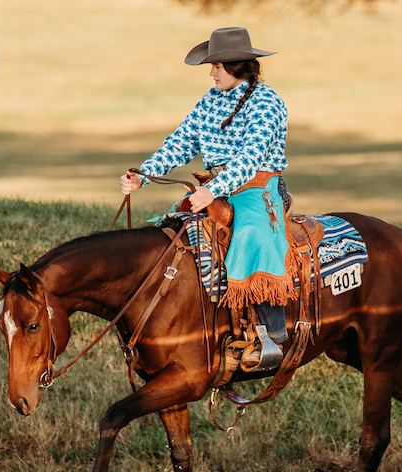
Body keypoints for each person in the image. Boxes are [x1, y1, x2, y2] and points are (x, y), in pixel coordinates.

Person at [120, 27, 291, 360]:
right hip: (214, 186)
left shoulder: (267, 102)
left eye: (218, 66)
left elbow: (250, 156)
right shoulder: (209, 101)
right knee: (171, 227)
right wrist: (144, 175)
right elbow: (181, 143)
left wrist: (213, 189)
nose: (212, 73)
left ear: (238, 66)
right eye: (211, 66)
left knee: (253, 232)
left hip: (257, 184)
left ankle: (272, 330)